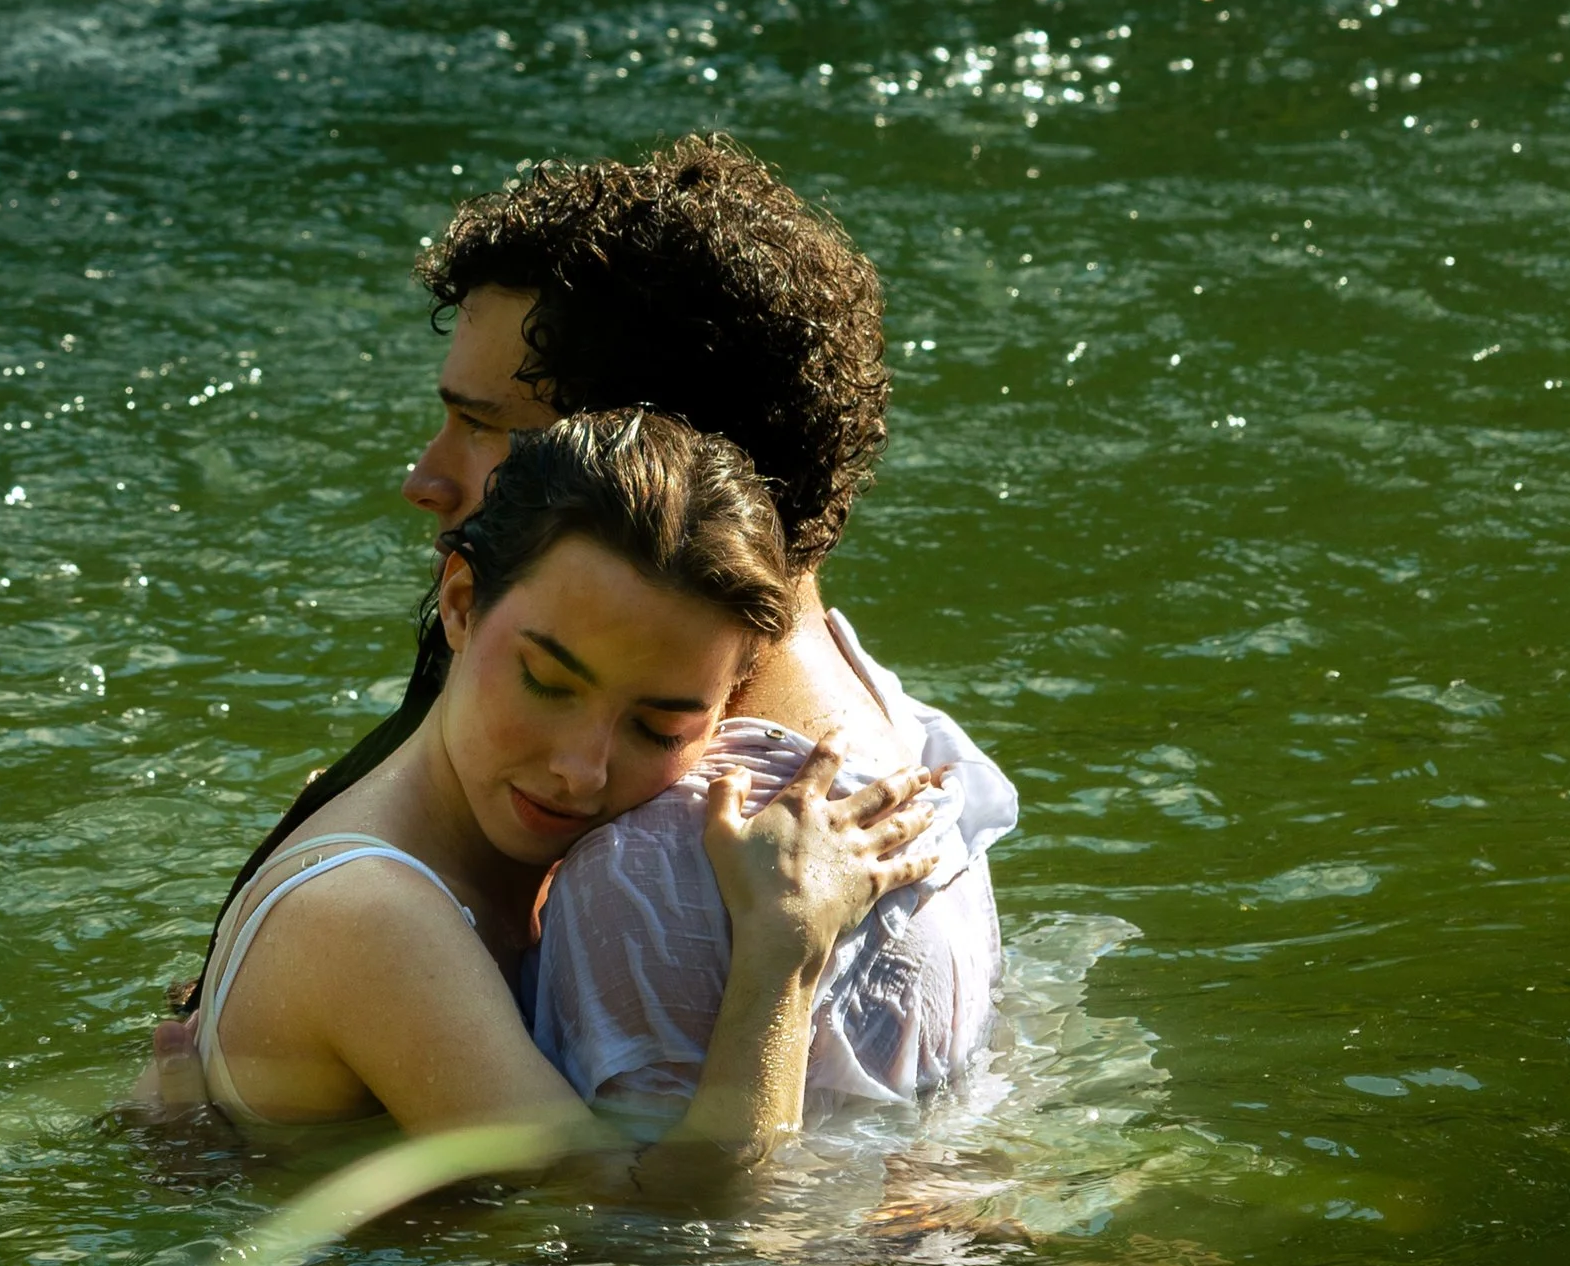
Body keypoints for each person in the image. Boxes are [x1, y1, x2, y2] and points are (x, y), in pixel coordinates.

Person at [146, 138, 1014, 1117]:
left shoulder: (642, 877)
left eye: (490, 430)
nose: (424, 479)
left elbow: (693, 1255)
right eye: (549, 680)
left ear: (646, 465)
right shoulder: (896, 726)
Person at [136, 411, 943, 1195]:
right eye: (547, 682)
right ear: (459, 605)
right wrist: (785, 948)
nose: (581, 772)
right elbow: (668, 1239)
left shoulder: (444, 835)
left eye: (659, 726)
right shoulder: (373, 920)